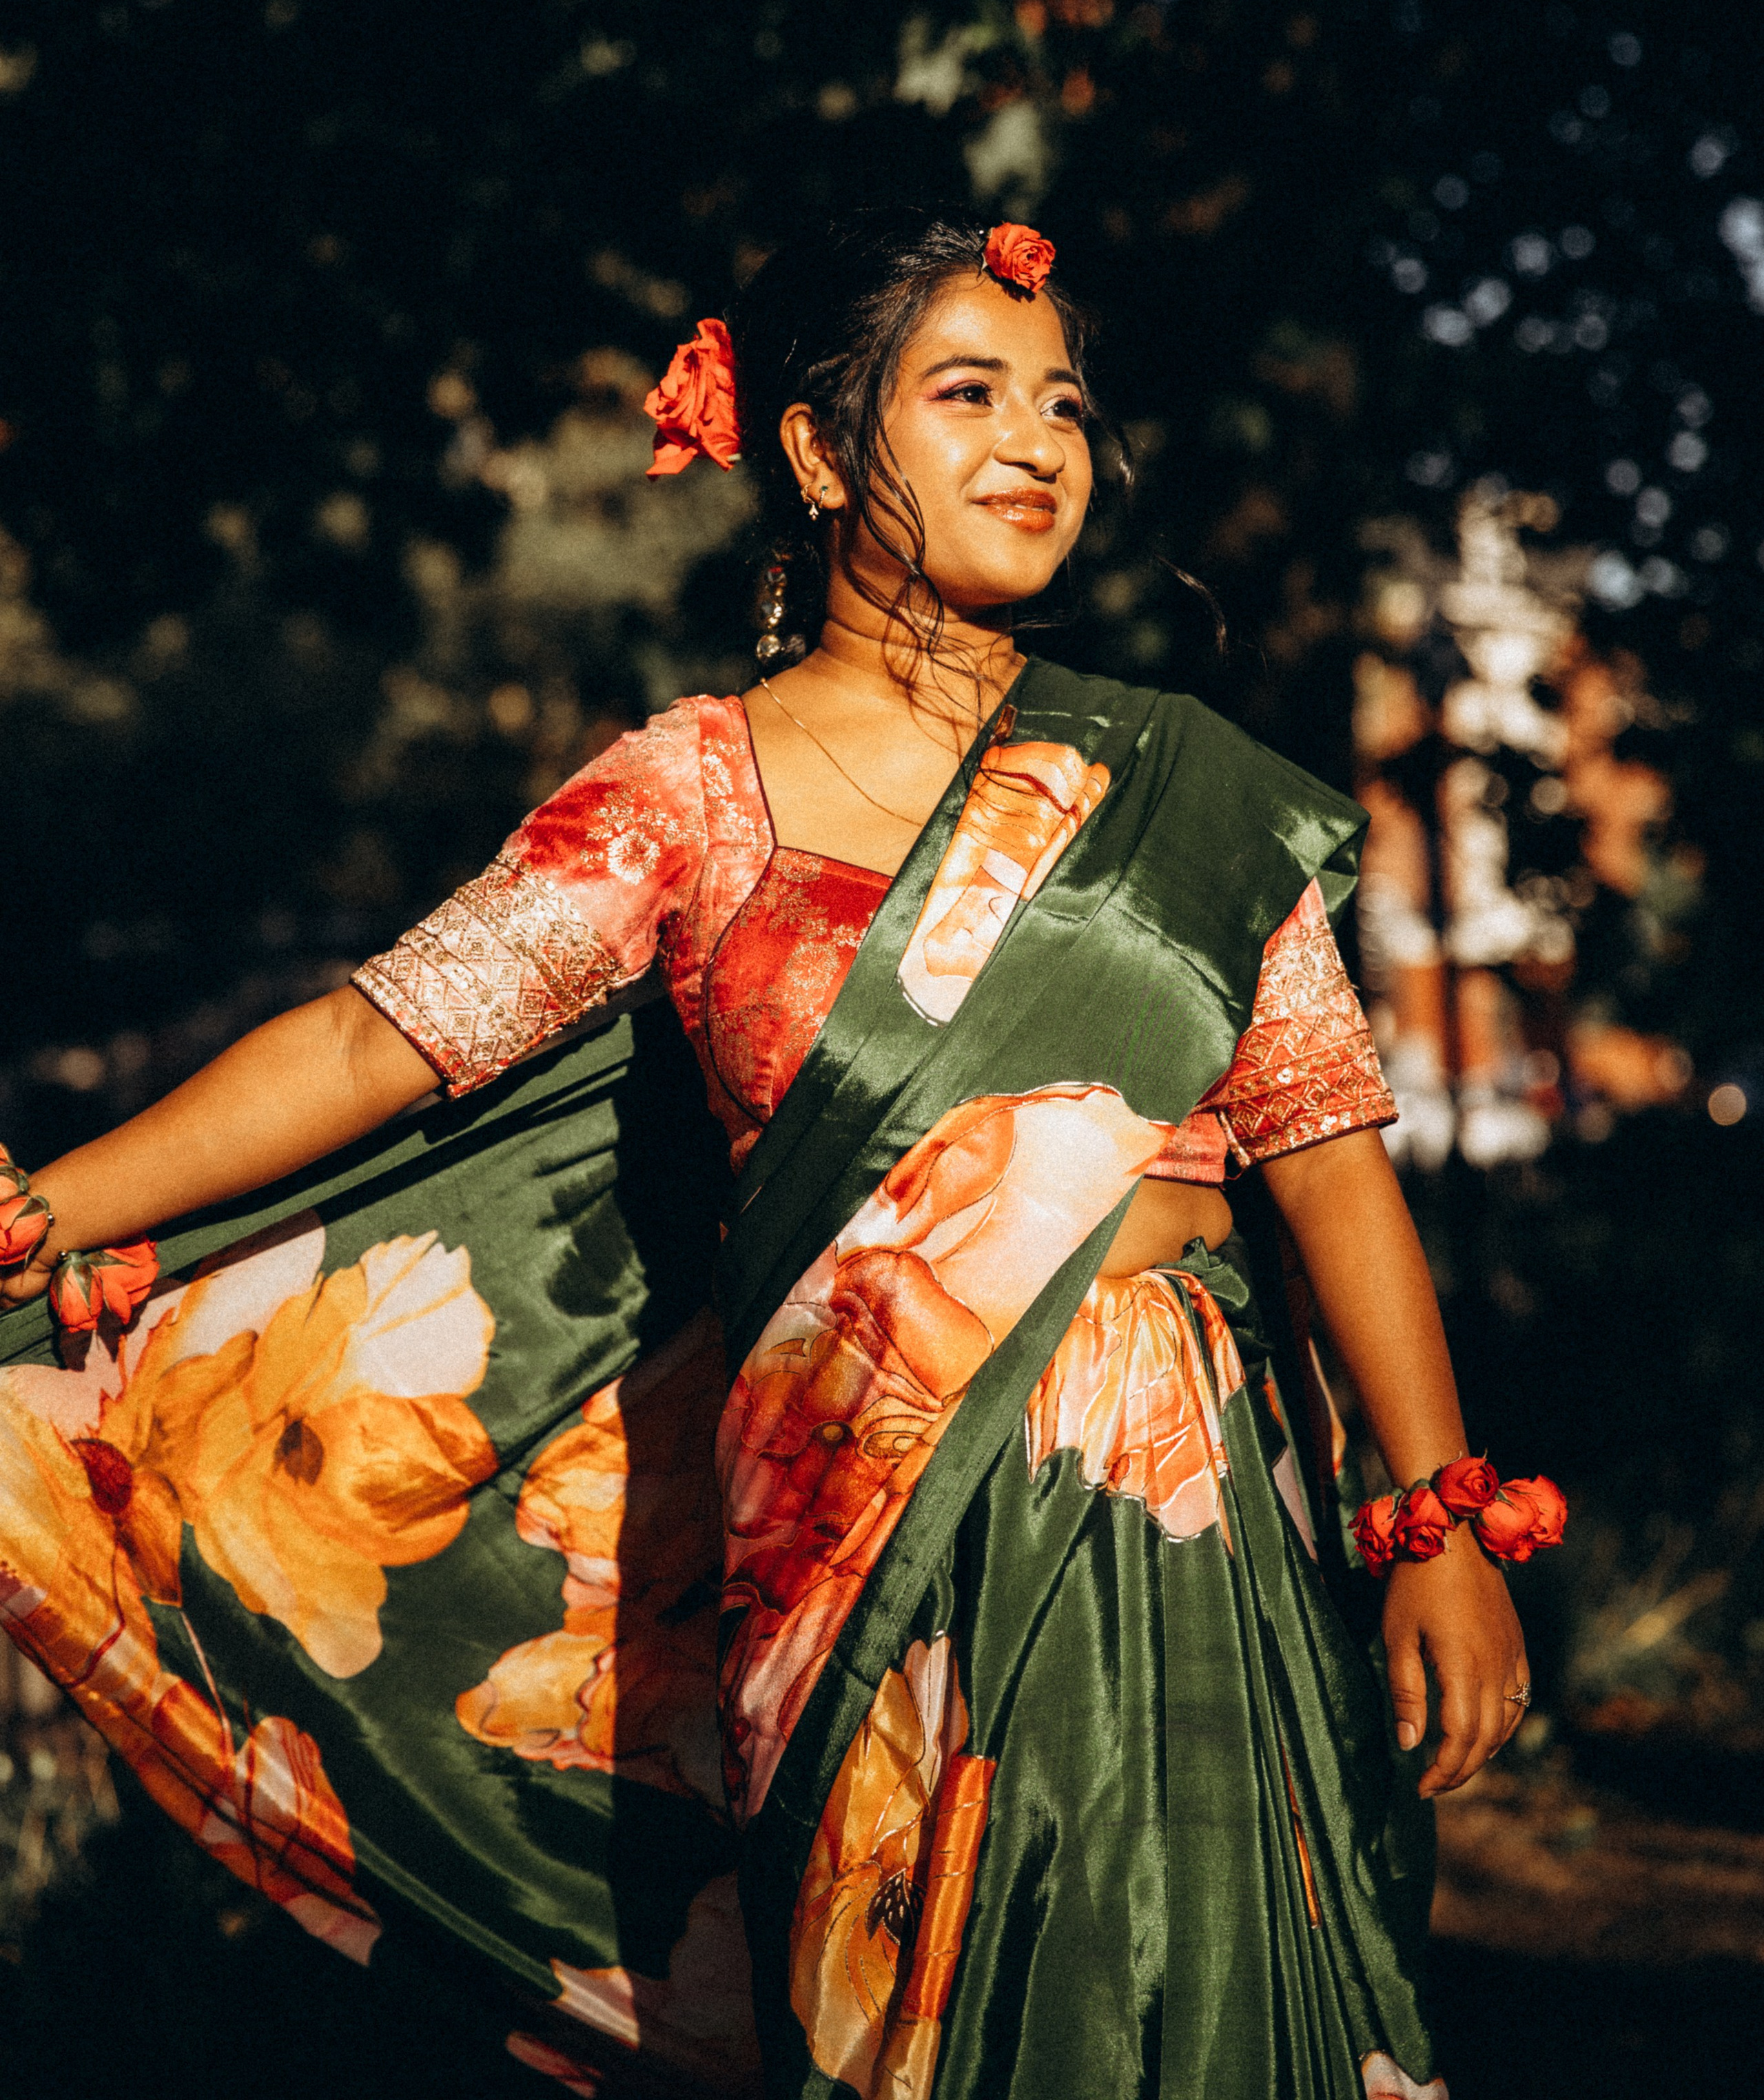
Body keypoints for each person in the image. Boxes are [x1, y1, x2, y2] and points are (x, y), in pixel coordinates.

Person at [0, 209, 1560, 2100]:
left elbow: (1326, 1157)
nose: (1038, 443)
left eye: (1064, 403)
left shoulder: (1191, 790)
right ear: (818, 453)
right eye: (968, 394)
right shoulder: (692, 790)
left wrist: (1440, 1519)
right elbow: (371, 1042)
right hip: (858, 1558)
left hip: (1192, 1530)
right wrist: (45, 1208)